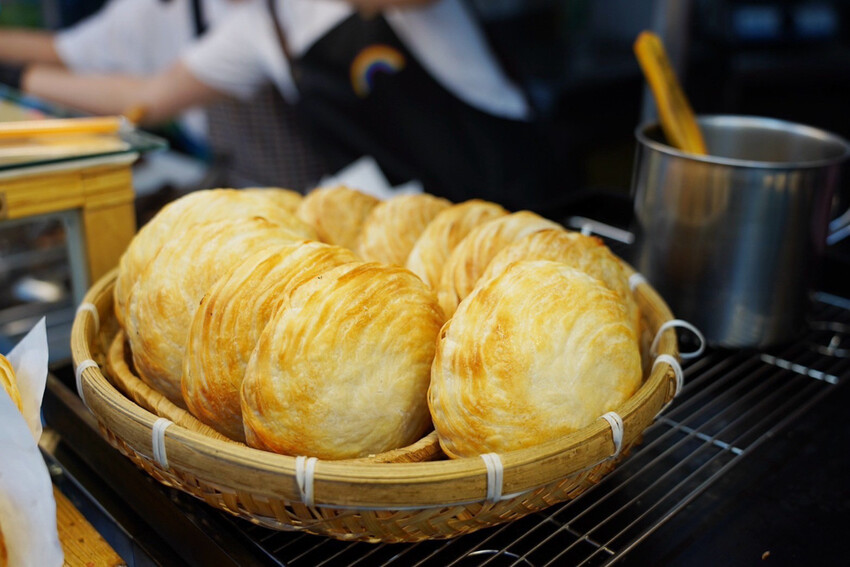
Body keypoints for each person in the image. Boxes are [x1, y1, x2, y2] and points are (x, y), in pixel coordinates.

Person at [4, 0, 570, 212]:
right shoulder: (257, 28)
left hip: (516, 192)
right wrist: (23, 76)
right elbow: (142, 100)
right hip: (417, 230)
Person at [0, 0, 329, 190]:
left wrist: (15, 75)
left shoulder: (283, 16)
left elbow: (145, 100)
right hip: (241, 190)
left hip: (324, 194)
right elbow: (141, 97)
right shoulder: (161, 10)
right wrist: (14, 73)